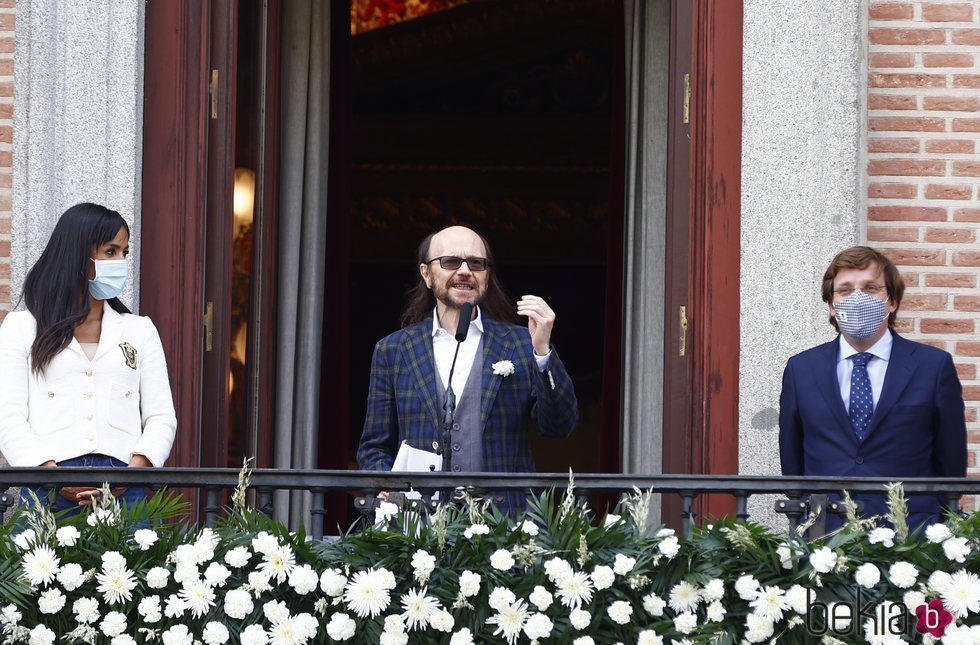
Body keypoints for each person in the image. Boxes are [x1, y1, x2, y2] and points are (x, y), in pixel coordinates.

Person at [356, 225, 578, 513]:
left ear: (486, 275)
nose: (464, 271)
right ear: (426, 274)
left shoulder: (519, 343)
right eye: (450, 262)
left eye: (476, 263)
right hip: (419, 528)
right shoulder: (394, 350)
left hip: (504, 526)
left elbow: (559, 426)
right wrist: (389, 494)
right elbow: (375, 447)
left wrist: (543, 352)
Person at [0, 202, 177, 513]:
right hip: (48, 490)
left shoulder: (139, 330)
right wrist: (52, 477)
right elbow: (8, 417)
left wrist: (133, 472)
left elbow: (161, 417)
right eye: (110, 252)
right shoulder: (21, 328)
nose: (121, 261)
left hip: (126, 492)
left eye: (124, 252)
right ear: (79, 255)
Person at [779, 246, 966, 532]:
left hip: (911, 533)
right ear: (831, 305)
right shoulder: (801, 369)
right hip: (824, 534)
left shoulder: (933, 366)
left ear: (891, 301)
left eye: (870, 288)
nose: (857, 298)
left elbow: (950, 461)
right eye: (845, 290)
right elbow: (792, 459)